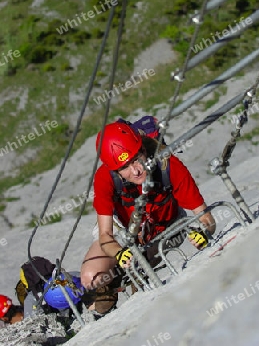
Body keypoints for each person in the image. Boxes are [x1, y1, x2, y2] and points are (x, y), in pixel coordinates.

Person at [81, 121, 216, 314]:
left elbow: (206, 218)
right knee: (90, 277)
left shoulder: (169, 167)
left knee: (140, 268)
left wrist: (204, 232)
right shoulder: (105, 178)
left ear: (144, 148)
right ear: (114, 170)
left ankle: (136, 270)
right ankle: (113, 282)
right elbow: (105, 235)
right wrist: (118, 252)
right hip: (125, 230)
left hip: (165, 229)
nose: (135, 171)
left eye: (137, 159)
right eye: (125, 167)